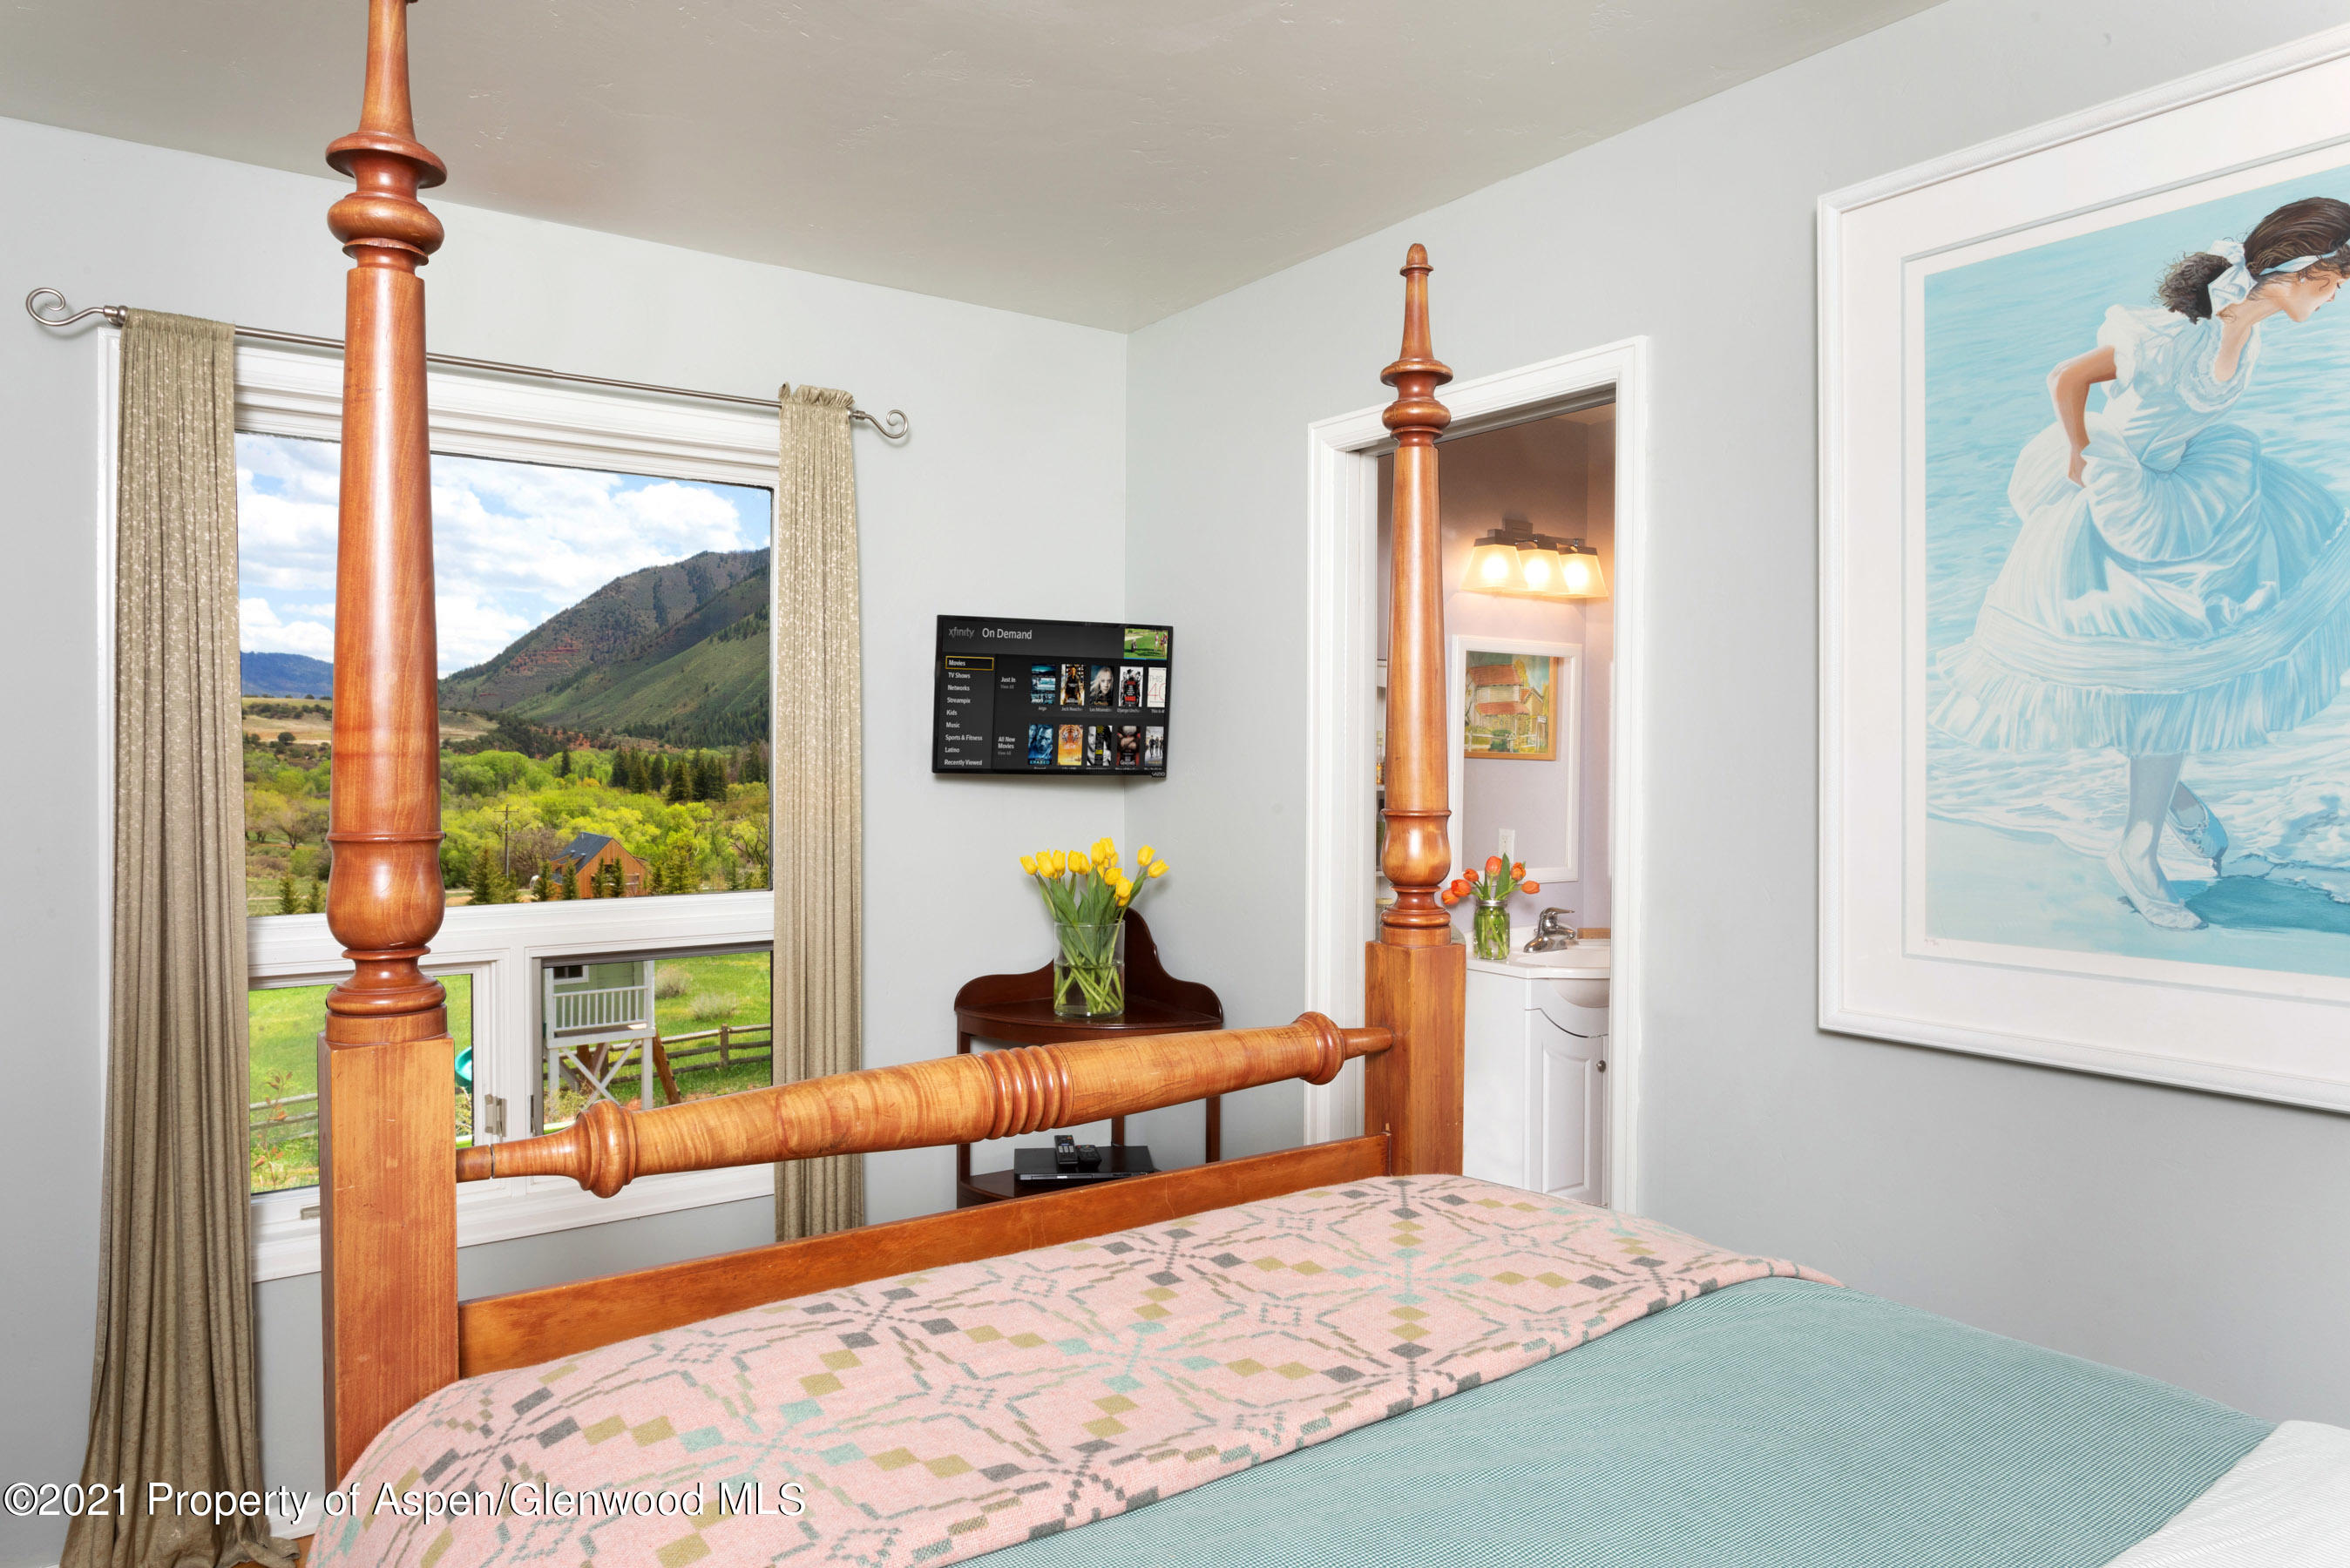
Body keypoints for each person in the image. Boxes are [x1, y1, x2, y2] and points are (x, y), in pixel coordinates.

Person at [1933, 198, 2350, 929]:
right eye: (2335, 283)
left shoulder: (2244, 332)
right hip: (2125, 501)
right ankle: (2138, 846)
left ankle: (2165, 809)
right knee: (2160, 674)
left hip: (2187, 496)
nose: (2336, 297)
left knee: (2171, 675)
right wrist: (2078, 453)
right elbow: (2067, 378)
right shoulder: (2173, 335)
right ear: (2297, 273)